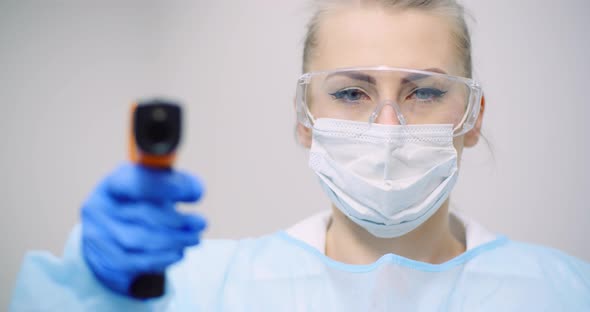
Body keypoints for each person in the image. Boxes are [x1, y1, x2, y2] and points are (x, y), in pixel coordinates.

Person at [10, 0, 590, 311]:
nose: (386, 127)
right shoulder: (201, 291)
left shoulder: (563, 294)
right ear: (303, 119)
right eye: (349, 93)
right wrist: (96, 290)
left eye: (426, 92)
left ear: (472, 117)